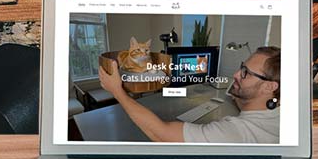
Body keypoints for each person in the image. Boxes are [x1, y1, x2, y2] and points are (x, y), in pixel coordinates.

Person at [94, 45, 282, 144]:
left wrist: (117, 91)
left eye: (245, 73)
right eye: (242, 67)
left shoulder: (234, 133)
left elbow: (161, 133)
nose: (235, 74)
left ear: (269, 87)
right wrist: (241, 94)